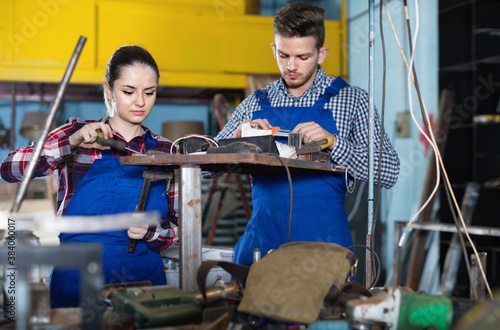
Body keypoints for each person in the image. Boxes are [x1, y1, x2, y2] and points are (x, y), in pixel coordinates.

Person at [215, 2, 400, 266]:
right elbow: (208, 167)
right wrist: (236, 140)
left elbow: (389, 171)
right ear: (273, 48)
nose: (291, 66)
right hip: (262, 246)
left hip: (323, 251)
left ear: (321, 54)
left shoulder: (352, 100)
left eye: (303, 57)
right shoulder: (255, 103)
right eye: (283, 55)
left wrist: (334, 143)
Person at [1, 45, 179, 307]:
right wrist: (68, 144)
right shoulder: (77, 134)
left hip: (144, 284)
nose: (140, 101)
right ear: (108, 90)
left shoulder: (167, 151)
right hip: (77, 279)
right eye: (128, 92)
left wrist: (153, 232)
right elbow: (9, 168)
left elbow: (178, 227)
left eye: (149, 92)